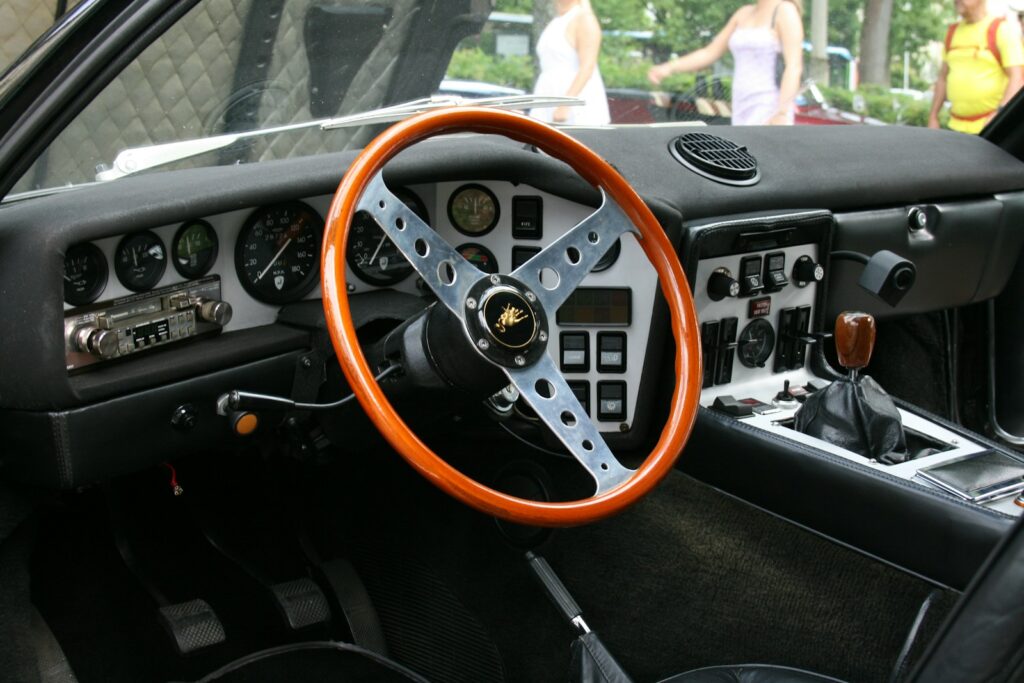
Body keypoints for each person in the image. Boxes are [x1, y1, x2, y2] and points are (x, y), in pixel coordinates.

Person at [647, 0, 804, 126]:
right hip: (741, 103)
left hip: (769, 105)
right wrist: (668, 68)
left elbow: (794, 67)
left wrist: (781, 113)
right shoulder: (743, 13)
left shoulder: (785, 10)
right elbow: (709, 53)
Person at [928, 0, 1024, 134]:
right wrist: (933, 116)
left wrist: (998, 115)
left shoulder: (1000, 29)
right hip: (955, 127)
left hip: (989, 128)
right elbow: (943, 78)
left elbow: (1017, 78)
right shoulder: (952, 32)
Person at [529, 0, 610, 126]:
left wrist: (566, 104)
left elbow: (588, 67)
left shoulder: (584, 19)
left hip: (575, 105)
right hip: (548, 97)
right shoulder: (556, 21)